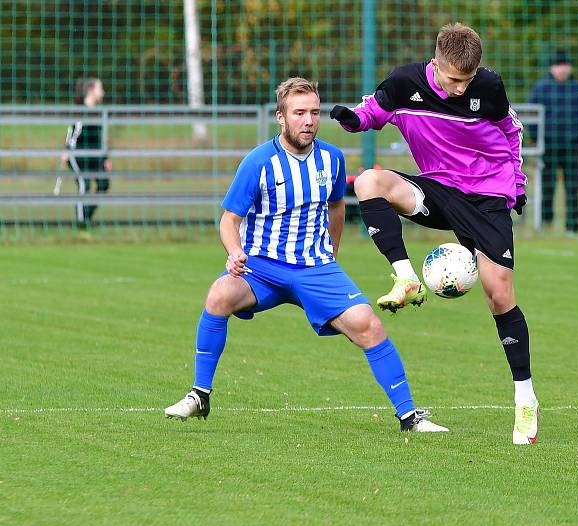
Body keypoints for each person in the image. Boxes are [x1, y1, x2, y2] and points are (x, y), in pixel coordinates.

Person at [164, 78, 448, 434]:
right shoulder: (258, 162)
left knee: (369, 326)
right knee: (219, 296)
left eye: (314, 112)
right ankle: (199, 395)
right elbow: (229, 220)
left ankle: (409, 417)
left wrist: (331, 255)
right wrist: (235, 251)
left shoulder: (332, 158)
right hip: (261, 270)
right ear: (281, 117)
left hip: (316, 269)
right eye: (299, 113)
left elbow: (336, 208)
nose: (309, 120)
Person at [330, 23, 540, 445]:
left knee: (499, 296)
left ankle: (525, 398)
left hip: (486, 196)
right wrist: (352, 120)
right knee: (369, 182)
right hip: (438, 188)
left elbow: (512, 132)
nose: (461, 88)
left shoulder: (489, 87)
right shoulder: (405, 81)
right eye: (453, 79)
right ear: (436, 63)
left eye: (468, 79)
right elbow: (373, 111)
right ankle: (406, 277)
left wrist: (515, 186)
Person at [528, 49, 578, 233]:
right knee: (547, 185)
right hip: (548, 145)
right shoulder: (541, 88)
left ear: (570, 67)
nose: (561, 69)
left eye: (564, 65)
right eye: (558, 65)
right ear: (552, 67)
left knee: (573, 186)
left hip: (573, 145)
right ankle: (546, 222)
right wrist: (536, 138)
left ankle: (572, 225)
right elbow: (532, 114)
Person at [62, 78, 111, 225]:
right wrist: (67, 150)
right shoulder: (81, 111)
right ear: (90, 90)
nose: (102, 92)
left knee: (104, 184)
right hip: (79, 156)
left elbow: (101, 139)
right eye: (100, 88)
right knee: (85, 185)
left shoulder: (99, 112)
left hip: (95, 158)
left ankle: (86, 215)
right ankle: (81, 222)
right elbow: (73, 133)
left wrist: (105, 158)